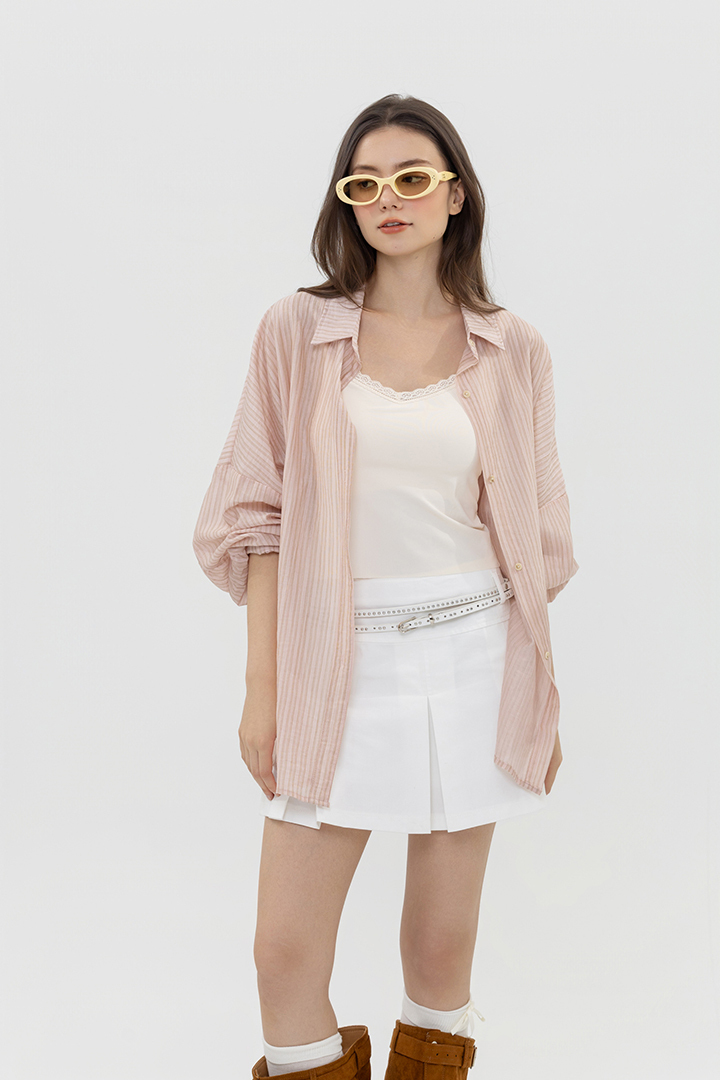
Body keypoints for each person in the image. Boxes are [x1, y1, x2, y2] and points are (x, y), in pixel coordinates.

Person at [192, 93, 579, 1080]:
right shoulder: (298, 331)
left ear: (456, 195)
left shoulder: (513, 348)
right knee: (283, 955)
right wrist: (263, 689)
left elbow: (535, 540)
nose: (387, 200)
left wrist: (536, 686)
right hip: (334, 661)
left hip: (475, 659)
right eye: (363, 184)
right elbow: (258, 515)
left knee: (442, 951)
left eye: (411, 178)